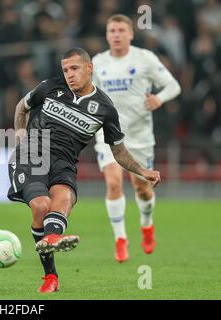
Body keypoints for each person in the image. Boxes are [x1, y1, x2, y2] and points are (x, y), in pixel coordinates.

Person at [7, 47, 161, 293]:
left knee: (64, 200)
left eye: (74, 68)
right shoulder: (50, 88)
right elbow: (21, 107)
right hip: (32, 155)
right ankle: (51, 261)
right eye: (65, 69)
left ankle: (51, 262)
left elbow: (118, 151)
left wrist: (143, 171)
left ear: (89, 68)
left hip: (64, 163)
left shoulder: (104, 108)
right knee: (41, 206)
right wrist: (19, 133)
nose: (69, 74)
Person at [92, 14, 181, 263]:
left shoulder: (144, 58)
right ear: (107, 35)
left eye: (121, 30)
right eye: (112, 31)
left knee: (141, 188)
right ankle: (120, 239)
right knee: (113, 183)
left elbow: (174, 86)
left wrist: (159, 99)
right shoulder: (97, 63)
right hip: (108, 135)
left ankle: (147, 223)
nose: (117, 35)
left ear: (131, 34)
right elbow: (91, 96)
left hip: (139, 137)